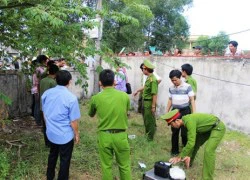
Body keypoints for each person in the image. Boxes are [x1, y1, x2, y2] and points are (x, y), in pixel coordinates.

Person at [88, 69, 132, 180]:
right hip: (121, 136)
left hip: (105, 136)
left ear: (100, 83)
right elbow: (126, 112)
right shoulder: (125, 96)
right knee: (124, 166)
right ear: (114, 81)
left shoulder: (96, 98)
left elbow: (91, 114)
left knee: (106, 166)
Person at [160, 109, 226, 180]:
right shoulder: (186, 121)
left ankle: (207, 178)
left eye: (171, 124)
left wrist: (179, 156)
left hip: (217, 127)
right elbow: (191, 142)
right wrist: (187, 155)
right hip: (207, 129)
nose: (172, 126)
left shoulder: (189, 122)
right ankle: (188, 162)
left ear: (177, 120)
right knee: (195, 143)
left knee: (208, 150)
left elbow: (191, 143)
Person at [42, 70, 81, 180]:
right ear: (69, 82)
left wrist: (48, 126)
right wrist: (77, 134)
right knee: (65, 160)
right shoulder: (71, 98)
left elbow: (45, 113)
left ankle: (49, 177)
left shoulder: (46, 94)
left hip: (51, 133)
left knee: (52, 155)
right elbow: (73, 121)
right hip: (65, 136)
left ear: (55, 79)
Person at [166, 70, 196, 156]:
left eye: (175, 80)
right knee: (174, 131)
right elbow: (170, 100)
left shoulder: (187, 86)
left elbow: (192, 100)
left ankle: (186, 149)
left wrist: (194, 114)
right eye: (172, 80)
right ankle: (174, 151)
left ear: (180, 78)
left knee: (184, 131)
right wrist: (167, 111)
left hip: (185, 110)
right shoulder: (171, 88)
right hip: (175, 111)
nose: (174, 82)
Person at [134, 60, 158, 141]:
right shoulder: (149, 78)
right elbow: (145, 87)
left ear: (146, 69)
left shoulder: (153, 80)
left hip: (149, 102)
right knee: (146, 119)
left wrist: (153, 106)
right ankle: (147, 134)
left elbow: (154, 94)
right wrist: (137, 90)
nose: (143, 71)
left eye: (143, 69)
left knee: (149, 121)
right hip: (145, 101)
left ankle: (150, 138)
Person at [40, 64, 59, 147]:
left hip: (42, 106)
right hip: (51, 107)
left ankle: (46, 143)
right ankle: (52, 142)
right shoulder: (53, 82)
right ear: (56, 73)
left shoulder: (42, 80)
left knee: (45, 125)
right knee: (51, 125)